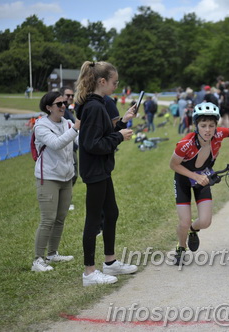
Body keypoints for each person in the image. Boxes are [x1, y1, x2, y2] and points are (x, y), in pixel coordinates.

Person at [169, 102, 229, 265]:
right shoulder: (185, 144)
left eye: (211, 125)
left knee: (205, 222)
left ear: (216, 126)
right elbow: (173, 165)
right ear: (196, 126)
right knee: (184, 221)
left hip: (203, 177)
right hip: (184, 179)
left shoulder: (219, 134)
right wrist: (195, 176)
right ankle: (181, 247)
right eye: (203, 125)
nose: (207, 129)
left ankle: (192, 230)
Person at [75, 61, 138, 286]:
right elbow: (92, 144)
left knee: (111, 213)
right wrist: (119, 136)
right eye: (114, 82)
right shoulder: (93, 107)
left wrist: (121, 123)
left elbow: (103, 132)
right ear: (102, 82)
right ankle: (89, 273)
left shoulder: (99, 104)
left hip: (102, 169)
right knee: (94, 220)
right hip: (94, 171)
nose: (116, 86)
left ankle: (110, 263)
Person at [31, 91, 80, 272]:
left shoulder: (67, 123)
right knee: (48, 219)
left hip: (66, 178)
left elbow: (79, 142)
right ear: (48, 108)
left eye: (64, 103)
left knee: (60, 218)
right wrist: (75, 129)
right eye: (58, 104)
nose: (63, 107)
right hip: (48, 178)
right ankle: (37, 260)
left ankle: (52, 254)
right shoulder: (41, 126)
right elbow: (57, 143)